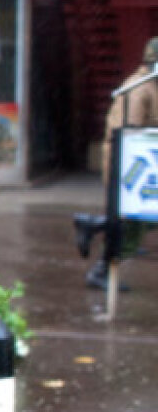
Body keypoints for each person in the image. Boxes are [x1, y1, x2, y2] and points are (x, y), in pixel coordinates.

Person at [73, 36, 158, 291]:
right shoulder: (139, 89)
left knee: (138, 220)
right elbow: (129, 134)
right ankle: (101, 267)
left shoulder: (151, 86)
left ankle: (94, 224)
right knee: (133, 220)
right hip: (130, 166)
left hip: (140, 166)